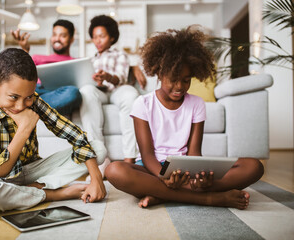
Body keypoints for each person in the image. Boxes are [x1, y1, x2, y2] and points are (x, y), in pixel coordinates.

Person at [104, 26, 264, 210]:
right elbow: (147, 155)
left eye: (186, 80)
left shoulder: (196, 103)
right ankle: (210, 199)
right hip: (152, 170)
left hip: (186, 171)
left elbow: (194, 152)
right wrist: (165, 177)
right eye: (173, 79)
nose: (180, 86)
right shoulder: (143, 103)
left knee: (254, 166)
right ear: (159, 73)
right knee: (115, 170)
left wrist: (199, 177)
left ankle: (164, 194)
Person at [0, 48, 107, 212]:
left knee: (98, 149)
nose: (21, 106)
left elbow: (74, 134)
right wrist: (24, 129)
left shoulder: (33, 101)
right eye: (14, 97)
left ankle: (33, 189)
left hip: (32, 171)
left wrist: (97, 180)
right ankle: (52, 194)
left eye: (28, 97)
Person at [0, 19, 81, 116]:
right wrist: (25, 49)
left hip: (49, 95)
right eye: (54, 35)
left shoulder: (77, 62)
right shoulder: (37, 58)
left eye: (63, 36)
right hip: (27, 90)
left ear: (71, 39)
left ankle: (24, 107)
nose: (57, 39)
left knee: (73, 93)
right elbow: (19, 69)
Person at [79, 15, 139, 165]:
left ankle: (130, 158)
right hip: (100, 92)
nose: (97, 40)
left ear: (111, 38)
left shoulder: (120, 55)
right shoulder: (89, 60)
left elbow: (121, 78)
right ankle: (100, 159)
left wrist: (107, 76)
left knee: (131, 94)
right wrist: (96, 81)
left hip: (116, 90)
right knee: (86, 91)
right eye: (94, 37)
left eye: (102, 36)